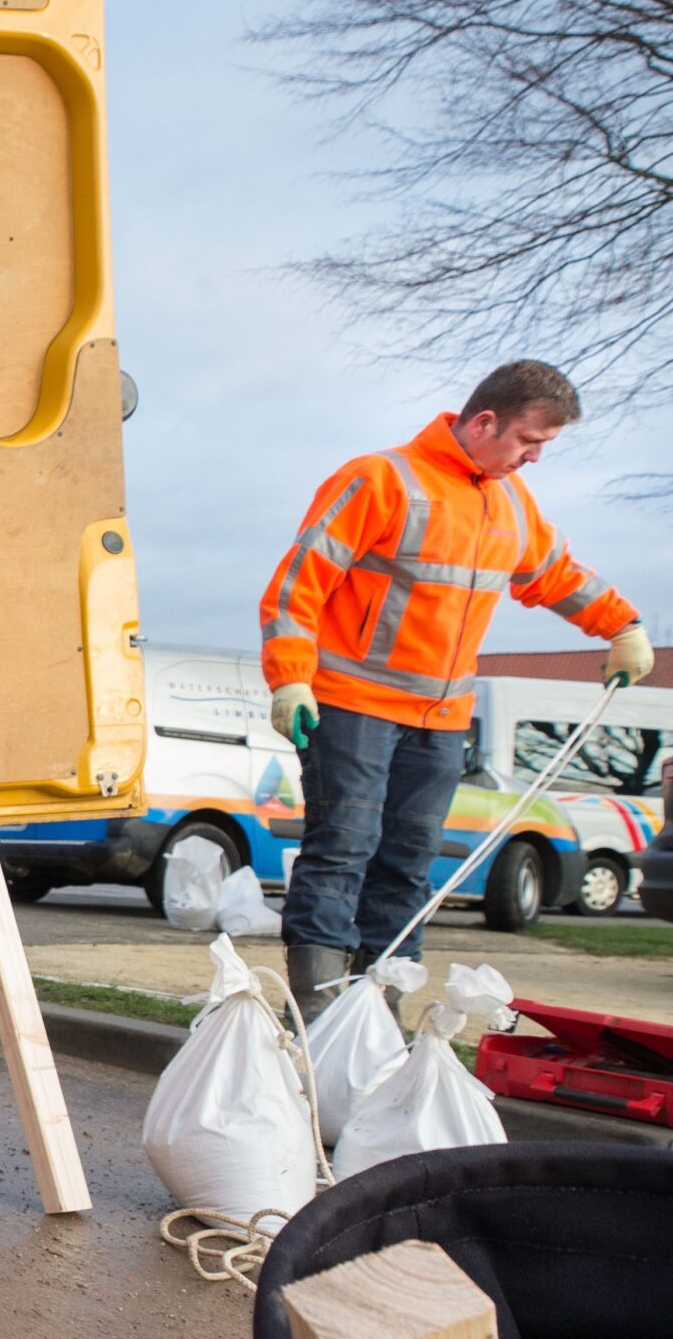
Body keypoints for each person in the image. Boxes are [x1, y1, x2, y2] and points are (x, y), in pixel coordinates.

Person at [260, 362, 652, 1014]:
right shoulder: (380, 479)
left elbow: (554, 575)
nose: (535, 457)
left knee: (409, 861)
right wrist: (291, 680)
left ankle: (379, 1009)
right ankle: (319, 1013)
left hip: (441, 720)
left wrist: (623, 627)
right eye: (530, 441)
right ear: (484, 421)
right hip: (351, 704)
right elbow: (297, 586)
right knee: (344, 849)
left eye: (545, 447)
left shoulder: (511, 504)